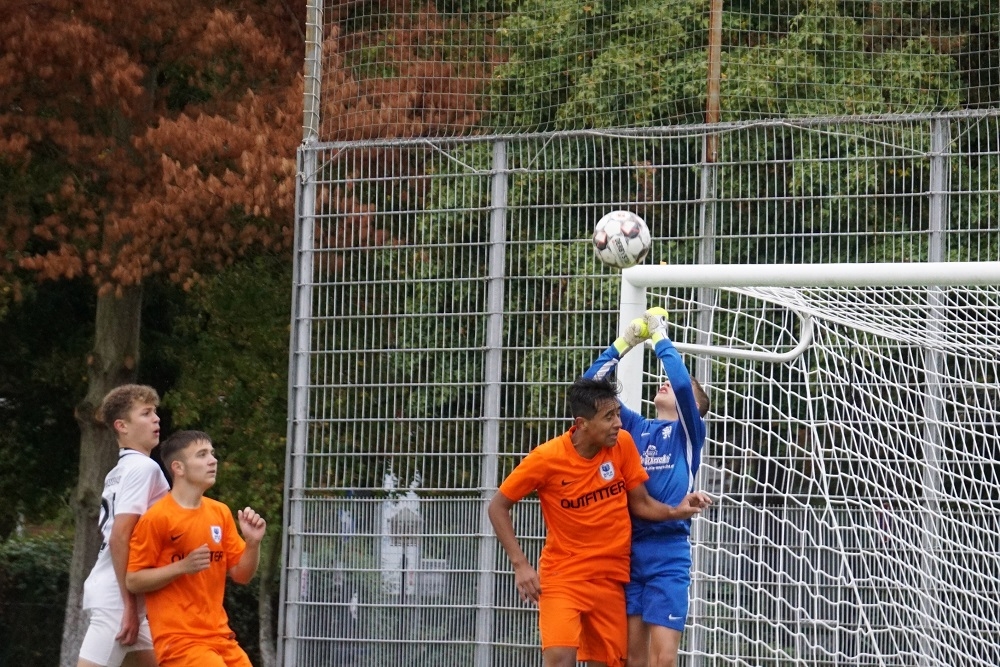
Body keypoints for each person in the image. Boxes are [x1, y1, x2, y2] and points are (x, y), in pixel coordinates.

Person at [488, 376, 712, 667]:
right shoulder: (546, 458)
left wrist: (675, 512)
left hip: (611, 579)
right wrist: (520, 565)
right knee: (560, 658)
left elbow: (641, 503)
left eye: (618, 414)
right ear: (582, 424)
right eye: (609, 417)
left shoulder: (623, 444)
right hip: (564, 576)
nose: (618, 423)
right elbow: (497, 506)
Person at [583, 307, 711, 667]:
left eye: (680, 386)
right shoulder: (635, 427)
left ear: (692, 407)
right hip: (630, 549)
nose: (665, 383)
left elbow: (682, 384)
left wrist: (659, 337)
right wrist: (624, 343)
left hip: (669, 553)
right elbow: (588, 389)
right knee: (628, 657)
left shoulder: (688, 433)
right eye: (665, 380)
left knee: (663, 659)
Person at [125, 430, 266, 667]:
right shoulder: (157, 518)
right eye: (202, 455)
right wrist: (182, 567)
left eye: (212, 453)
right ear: (178, 468)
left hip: (221, 637)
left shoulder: (220, 512)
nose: (213, 460)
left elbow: (242, 575)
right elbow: (133, 580)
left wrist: (253, 543)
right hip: (180, 641)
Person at [79, 384, 169, 667]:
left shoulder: (118, 471)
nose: (156, 419)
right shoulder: (144, 468)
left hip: (121, 596)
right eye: (146, 413)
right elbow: (120, 536)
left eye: (155, 412)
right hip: (117, 602)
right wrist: (128, 605)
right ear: (122, 426)